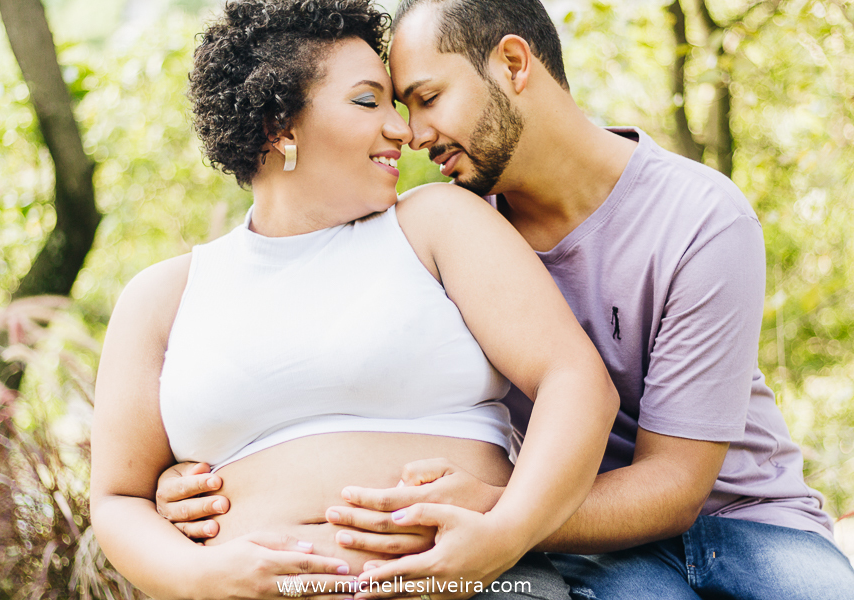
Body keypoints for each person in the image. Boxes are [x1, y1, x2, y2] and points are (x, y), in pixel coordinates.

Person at [158, 0, 854, 598]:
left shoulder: (700, 217)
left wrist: (501, 515)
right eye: (395, 106)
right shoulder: (452, 226)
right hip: (589, 543)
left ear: (514, 64)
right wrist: (194, 479)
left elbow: (674, 485)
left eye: (428, 99)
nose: (413, 135)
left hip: (741, 515)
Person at [89, 2, 619, 600]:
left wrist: (503, 535)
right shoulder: (161, 298)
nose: (403, 130)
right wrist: (202, 577)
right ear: (279, 126)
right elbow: (118, 499)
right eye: (369, 102)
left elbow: (576, 382)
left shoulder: (437, 225)